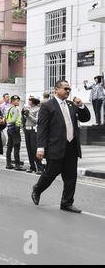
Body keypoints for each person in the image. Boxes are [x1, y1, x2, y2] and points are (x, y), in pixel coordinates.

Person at [32, 80, 91, 213]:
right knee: (51, 173)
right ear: (56, 90)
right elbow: (42, 128)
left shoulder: (71, 104)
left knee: (71, 176)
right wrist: (40, 147)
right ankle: (37, 189)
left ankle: (66, 203)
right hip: (55, 146)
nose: (68, 91)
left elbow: (85, 118)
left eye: (69, 89)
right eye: (65, 89)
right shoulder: (47, 106)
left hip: (71, 146)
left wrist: (81, 105)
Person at [22, 96, 44, 174]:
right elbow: (24, 119)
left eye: (30, 100)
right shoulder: (28, 108)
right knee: (29, 149)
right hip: (27, 130)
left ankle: (40, 167)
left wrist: (29, 115)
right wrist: (23, 114)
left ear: (33, 101)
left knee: (34, 149)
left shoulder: (38, 109)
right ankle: (32, 167)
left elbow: (37, 121)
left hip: (33, 130)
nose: (28, 101)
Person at [5, 95, 25, 171]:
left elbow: (6, 118)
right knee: (17, 147)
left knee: (9, 147)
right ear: (13, 101)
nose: (18, 102)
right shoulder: (15, 109)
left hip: (9, 129)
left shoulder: (8, 108)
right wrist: (12, 123)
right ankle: (17, 165)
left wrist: (7, 123)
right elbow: (13, 120)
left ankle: (8, 163)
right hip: (15, 129)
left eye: (19, 101)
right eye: (17, 101)